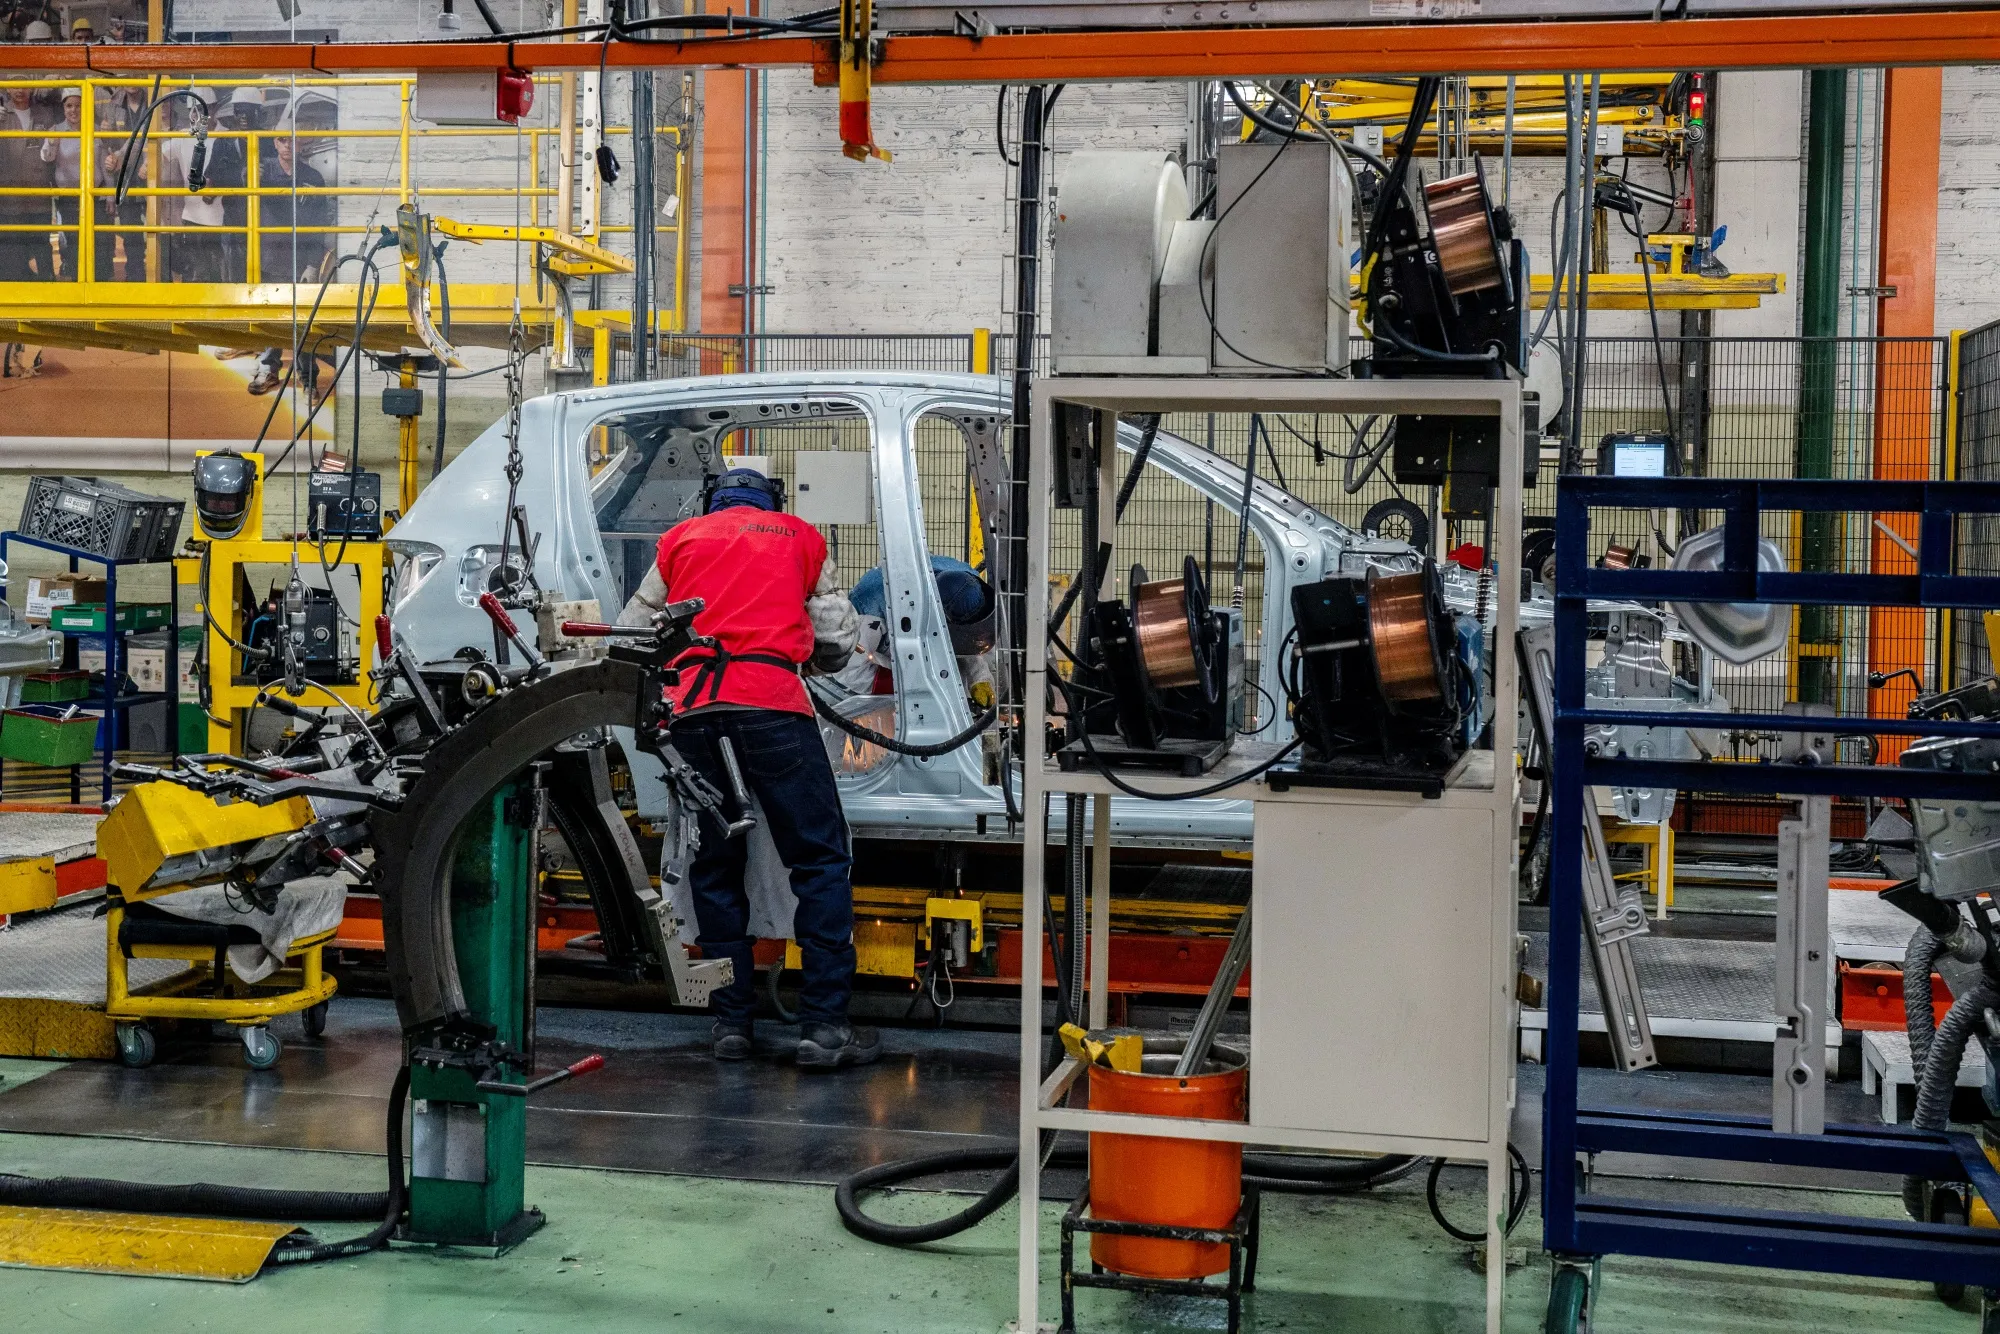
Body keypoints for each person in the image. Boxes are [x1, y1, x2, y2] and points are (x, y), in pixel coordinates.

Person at [619, 467, 870, 1069]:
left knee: (714, 868)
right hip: (774, 708)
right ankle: (825, 1028)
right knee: (820, 861)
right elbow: (836, 637)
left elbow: (632, 631)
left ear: (713, 501)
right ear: (772, 500)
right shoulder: (801, 536)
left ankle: (731, 1025)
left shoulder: (681, 539)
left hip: (696, 713)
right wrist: (801, 658)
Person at [249, 132, 334, 395]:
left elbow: (319, 225)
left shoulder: (313, 178)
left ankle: (307, 377)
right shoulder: (260, 172)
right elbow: (237, 193)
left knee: (304, 319)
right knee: (272, 315)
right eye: (282, 140)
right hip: (270, 256)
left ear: (301, 144)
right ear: (274, 143)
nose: (287, 145)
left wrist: (313, 263)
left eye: (293, 140)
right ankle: (268, 368)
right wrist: (250, 174)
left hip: (301, 258)